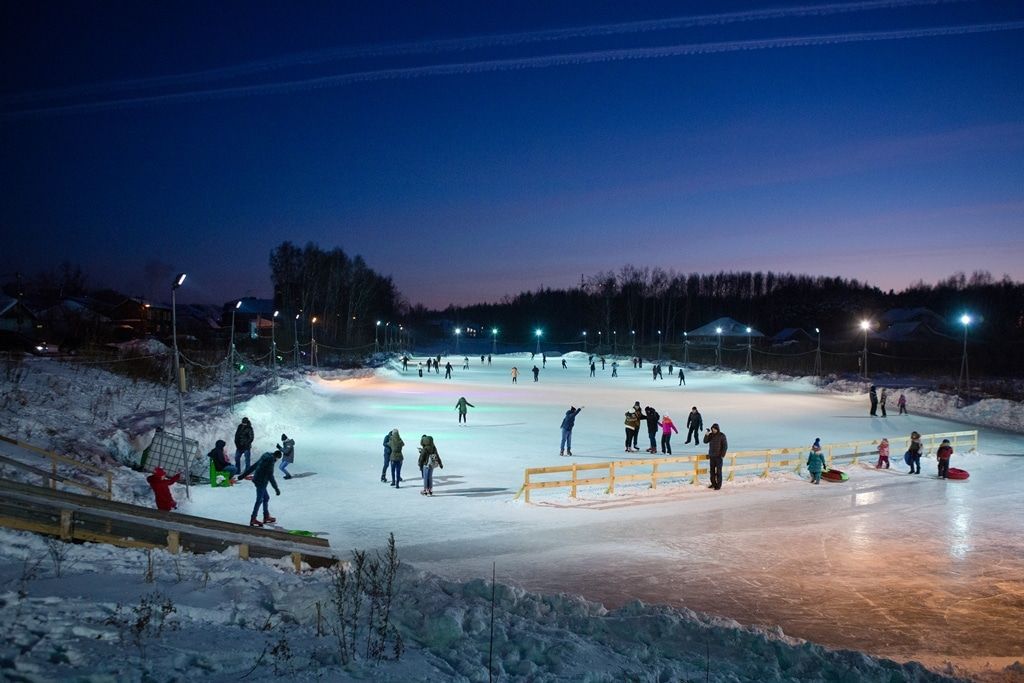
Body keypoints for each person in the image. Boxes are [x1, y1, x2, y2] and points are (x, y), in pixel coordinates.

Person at [240, 450, 282, 527]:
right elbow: (270, 476)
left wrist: (242, 476)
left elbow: (254, 466)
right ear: (276, 457)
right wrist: (276, 488)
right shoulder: (270, 461)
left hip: (257, 479)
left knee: (266, 498)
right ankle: (253, 518)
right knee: (259, 500)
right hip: (261, 481)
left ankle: (266, 517)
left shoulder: (265, 456)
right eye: (277, 459)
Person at [703, 423, 728, 490]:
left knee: (719, 472)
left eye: (714, 429)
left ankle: (718, 486)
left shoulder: (722, 435)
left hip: (719, 457)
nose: (713, 430)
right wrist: (707, 434)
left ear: (717, 429)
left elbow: (725, 446)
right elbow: (705, 441)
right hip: (712, 456)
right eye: (712, 429)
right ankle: (713, 484)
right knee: (712, 472)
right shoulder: (711, 435)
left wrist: (722, 455)